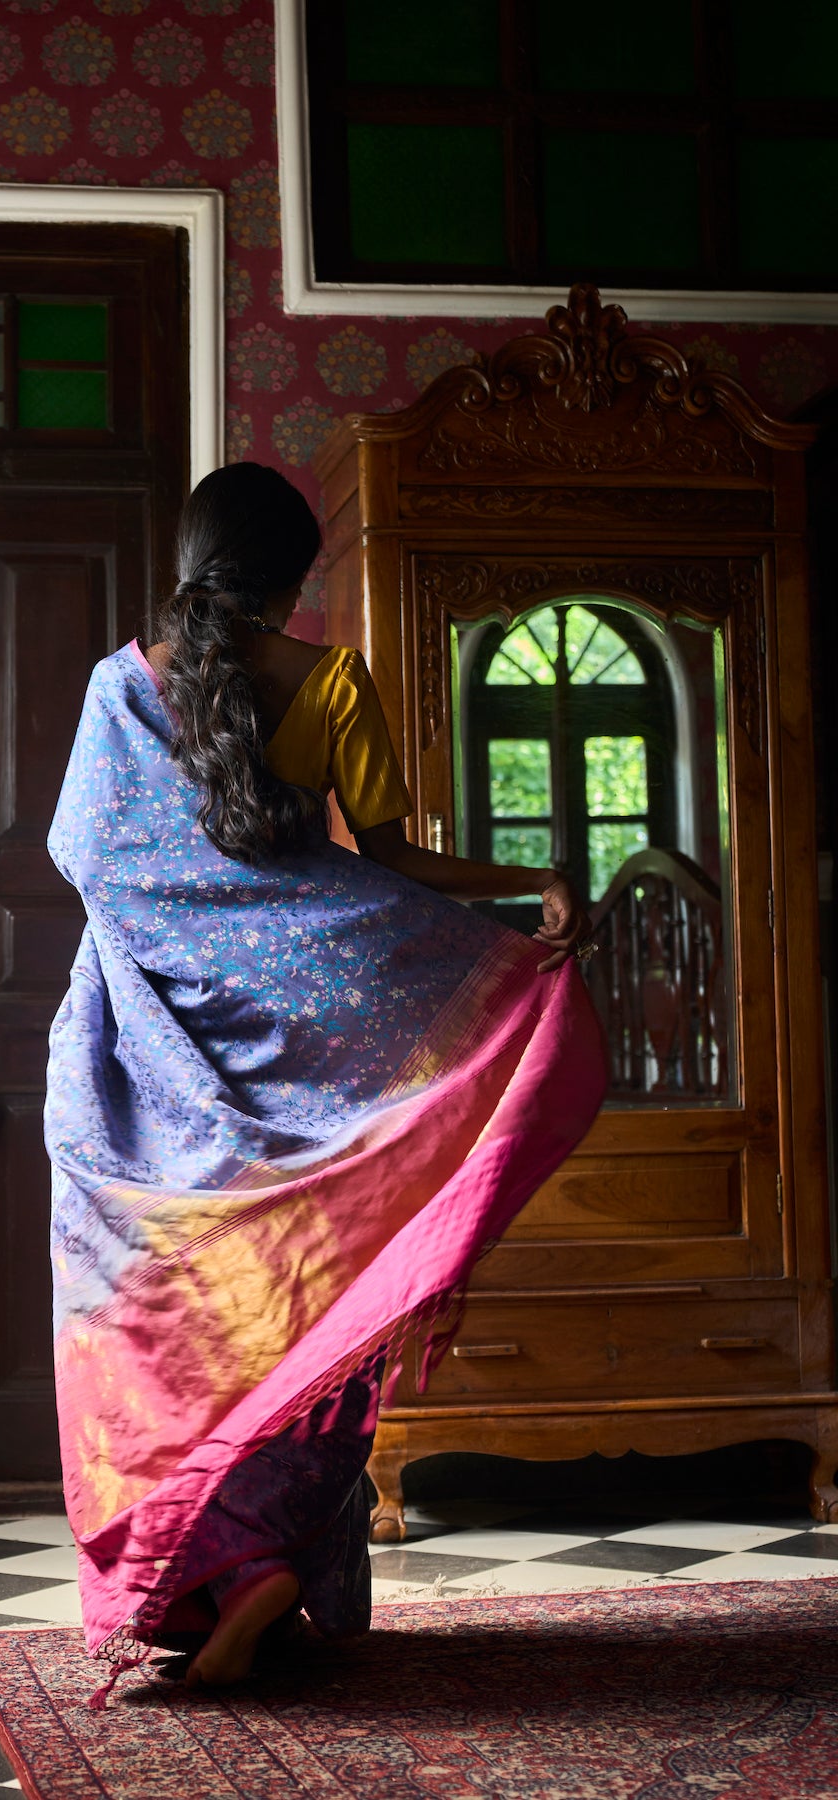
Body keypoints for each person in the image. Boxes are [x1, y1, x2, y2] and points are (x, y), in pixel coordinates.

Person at [45, 463, 607, 1699]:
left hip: (150, 1065)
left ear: (192, 561)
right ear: (299, 579)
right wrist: (530, 886)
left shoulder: (117, 689)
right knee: (306, 1300)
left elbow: (86, 855)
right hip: (312, 1069)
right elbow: (395, 870)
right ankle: (265, 1562)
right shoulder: (334, 679)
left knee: (170, 1313)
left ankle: (217, 1570)